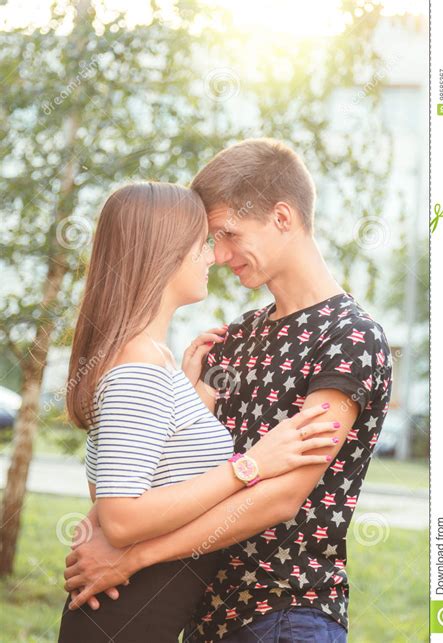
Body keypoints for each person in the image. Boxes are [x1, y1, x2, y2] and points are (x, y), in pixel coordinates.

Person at [63, 140, 392, 643]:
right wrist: (183, 399)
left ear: (282, 217)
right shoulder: (230, 342)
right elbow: (157, 465)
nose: (219, 255)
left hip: (287, 611)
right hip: (198, 614)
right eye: (211, 239)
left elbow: (281, 496)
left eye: (229, 234)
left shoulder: (349, 338)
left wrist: (134, 555)